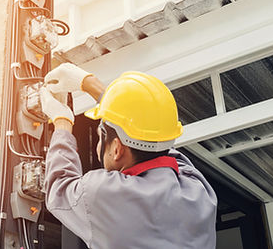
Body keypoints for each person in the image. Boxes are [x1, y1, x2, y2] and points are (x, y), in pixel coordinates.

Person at [40, 63, 217, 249]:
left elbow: (59, 186)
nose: (98, 145)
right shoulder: (199, 191)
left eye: (100, 137)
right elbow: (156, 139)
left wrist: (62, 121)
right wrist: (90, 84)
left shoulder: (104, 194)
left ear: (117, 149)